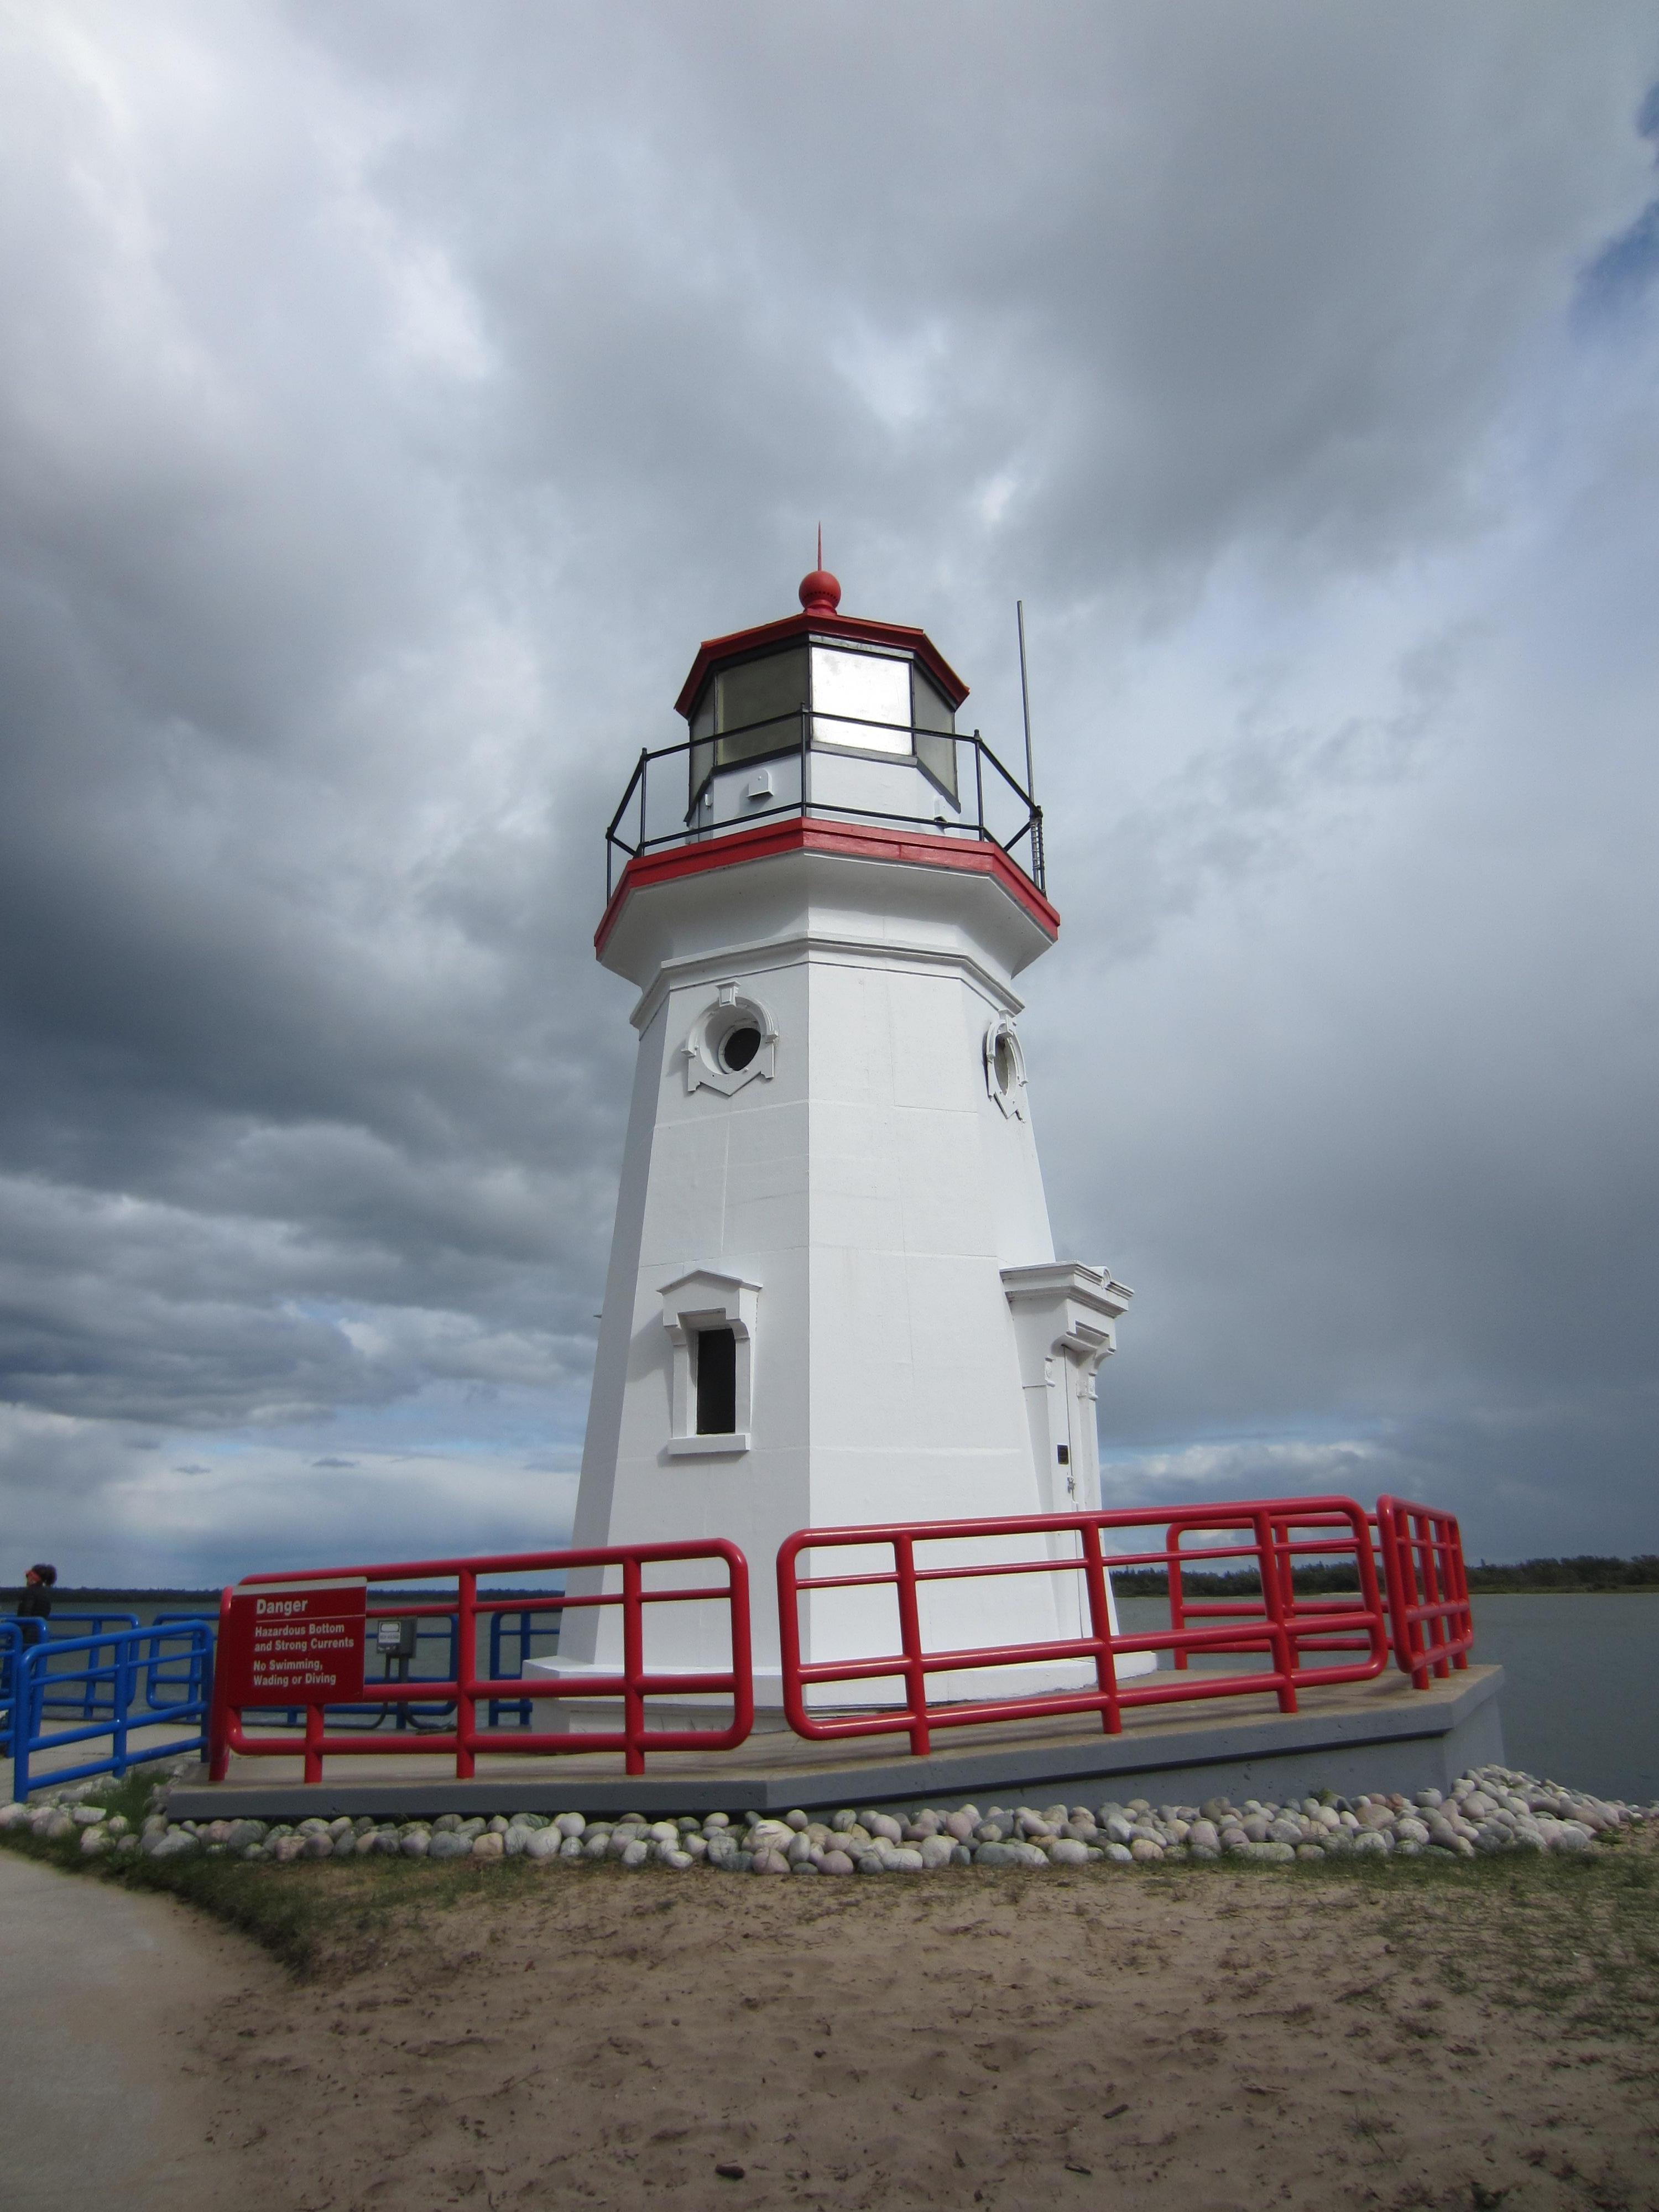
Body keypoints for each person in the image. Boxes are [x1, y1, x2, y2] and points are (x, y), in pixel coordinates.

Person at [15, 1563, 56, 1648]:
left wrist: (16, 1633)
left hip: (28, 1635)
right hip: (41, 1633)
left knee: (18, 1659)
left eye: (28, 1576)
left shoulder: (30, 1592)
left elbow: (26, 1614)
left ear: (33, 1577)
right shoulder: (45, 1593)